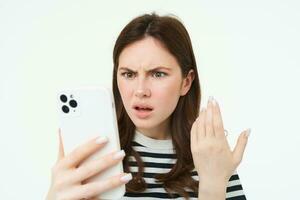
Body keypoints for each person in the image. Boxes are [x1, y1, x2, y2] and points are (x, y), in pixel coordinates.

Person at [46, 12, 250, 200]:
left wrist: (213, 185)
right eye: (129, 74)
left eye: (158, 74)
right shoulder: (95, 157)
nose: (140, 90)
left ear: (186, 82)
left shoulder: (211, 156)